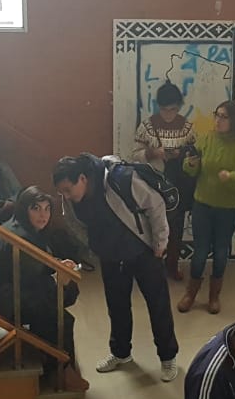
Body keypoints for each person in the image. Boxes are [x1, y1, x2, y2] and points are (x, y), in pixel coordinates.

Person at [53, 153, 179, 381]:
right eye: (61, 191)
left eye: (67, 190)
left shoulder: (120, 179)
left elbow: (155, 204)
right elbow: (73, 223)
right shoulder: (70, 198)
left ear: (82, 178)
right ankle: (121, 353)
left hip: (143, 252)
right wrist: (93, 246)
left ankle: (168, 358)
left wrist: (160, 242)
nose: (65, 196)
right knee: (117, 306)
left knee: (158, 305)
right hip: (110, 257)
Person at [0, 186, 86, 392]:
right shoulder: (22, 239)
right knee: (57, 316)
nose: (43, 215)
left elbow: (37, 273)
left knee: (48, 302)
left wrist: (58, 270)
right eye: (36, 208)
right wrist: (66, 284)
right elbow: (39, 284)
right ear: (24, 209)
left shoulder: (23, 228)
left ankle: (58, 366)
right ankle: (60, 369)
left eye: (47, 209)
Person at [179, 100, 235, 314]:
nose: (218, 120)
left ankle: (214, 296)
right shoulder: (206, 139)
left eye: (224, 117)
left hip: (228, 208)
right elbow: (192, 170)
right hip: (202, 204)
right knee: (200, 252)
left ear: (234, 120)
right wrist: (190, 165)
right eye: (217, 115)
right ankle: (191, 293)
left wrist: (231, 178)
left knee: (221, 252)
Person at [133, 80, 197, 280]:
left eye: (173, 109)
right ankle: (152, 267)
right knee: (152, 226)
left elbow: (195, 155)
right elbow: (134, 155)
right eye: (164, 109)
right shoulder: (147, 126)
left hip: (178, 186)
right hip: (152, 185)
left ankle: (172, 265)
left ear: (179, 107)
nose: (169, 114)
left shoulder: (187, 127)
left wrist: (183, 155)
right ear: (158, 106)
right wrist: (153, 153)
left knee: (175, 227)